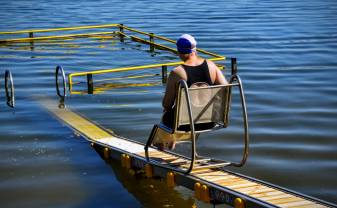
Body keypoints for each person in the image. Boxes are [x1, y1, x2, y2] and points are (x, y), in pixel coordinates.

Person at [153, 34, 227, 150]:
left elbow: (166, 104)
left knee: (168, 113)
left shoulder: (177, 72)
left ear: (178, 51)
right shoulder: (212, 66)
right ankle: (173, 140)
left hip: (183, 123)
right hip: (209, 120)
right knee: (183, 114)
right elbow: (225, 88)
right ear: (195, 49)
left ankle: (161, 146)